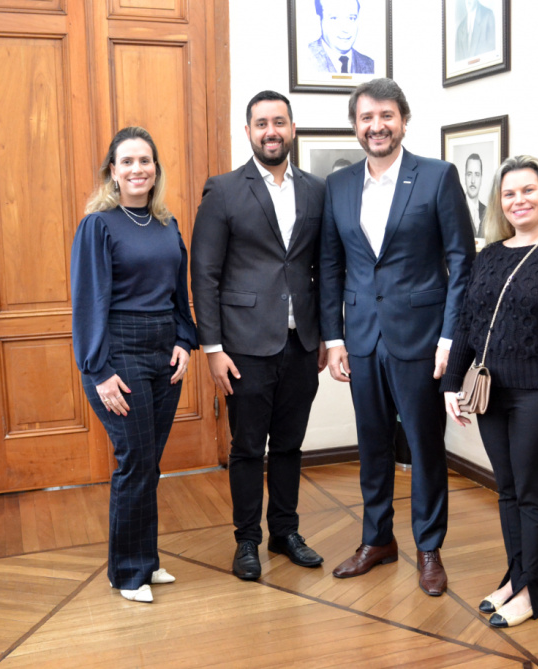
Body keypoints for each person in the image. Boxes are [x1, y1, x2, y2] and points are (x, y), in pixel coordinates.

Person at [321, 78, 474, 596]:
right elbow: (331, 266)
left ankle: (429, 548)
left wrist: (450, 338)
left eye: (386, 115)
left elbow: (462, 262)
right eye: (366, 117)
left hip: (422, 339)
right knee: (371, 445)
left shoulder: (436, 176)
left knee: (425, 446)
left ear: (404, 120)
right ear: (355, 126)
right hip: (362, 338)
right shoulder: (339, 186)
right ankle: (377, 540)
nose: (377, 126)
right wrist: (334, 338)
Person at [442, 155, 538, 628]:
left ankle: (533, 593)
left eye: (528, 190)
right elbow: (470, 323)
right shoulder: (490, 255)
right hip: (493, 393)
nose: (519, 200)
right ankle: (516, 576)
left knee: (532, 493)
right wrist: (451, 382)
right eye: (509, 193)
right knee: (507, 490)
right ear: (500, 203)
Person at [191, 91, 327, 581]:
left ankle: (285, 532)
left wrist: (325, 335)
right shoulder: (224, 190)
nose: (272, 131)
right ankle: (246, 540)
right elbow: (204, 273)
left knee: (289, 445)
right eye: (262, 123)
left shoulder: (316, 190)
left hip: (301, 343)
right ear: (248, 131)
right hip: (244, 346)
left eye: (280, 122)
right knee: (248, 448)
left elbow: (321, 268)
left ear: (292, 128)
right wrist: (213, 349)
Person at [71, 126, 198, 604]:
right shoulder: (98, 225)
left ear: (156, 169)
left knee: (148, 463)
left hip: (165, 352)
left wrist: (185, 341)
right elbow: (88, 302)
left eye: (145, 160)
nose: (137, 169)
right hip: (119, 353)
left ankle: (144, 560)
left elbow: (178, 291)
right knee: (135, 461)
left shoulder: (167, 224)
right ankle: (126, 573)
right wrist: (98, 370)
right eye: (127, 161)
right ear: (113, 171)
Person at [306, 0, 373, 75]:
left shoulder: (370, 65)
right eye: (334, 18)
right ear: (319, 20)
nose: (345, 29)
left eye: (351, 18)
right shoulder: (304, 58)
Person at [464, 153, 487, 237]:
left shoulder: (487, 212)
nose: (473, 181)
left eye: (477, 175)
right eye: (469, 174)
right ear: (465, 177)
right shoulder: (455, 209)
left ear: (481, 178)